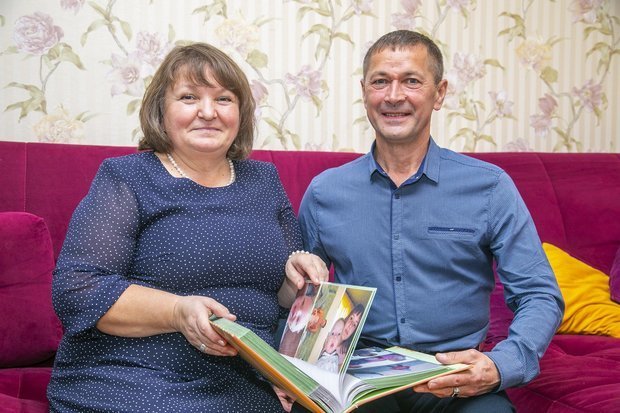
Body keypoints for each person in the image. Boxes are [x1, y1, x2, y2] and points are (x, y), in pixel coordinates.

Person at [286, 30, 564, 412]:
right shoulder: (325, 192)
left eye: (411, 81)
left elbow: (539, 294)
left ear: (440, 93)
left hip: (454, 378)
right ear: (364, 92)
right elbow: (298, 296)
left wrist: (501, 365)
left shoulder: (489, 187)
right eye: (380, 81)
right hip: (358, 378)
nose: (393, 95)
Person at [47, 42, 303, 412]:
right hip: (133, 375)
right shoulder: (127, 177)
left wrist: (297, 284)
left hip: (242, 382)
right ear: (161, 110)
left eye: (224, 99)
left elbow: (280, 299)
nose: (208, 112)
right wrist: (177, 312)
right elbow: (77, 289)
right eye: (188, 97)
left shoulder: (264, 180)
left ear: (241, 112)